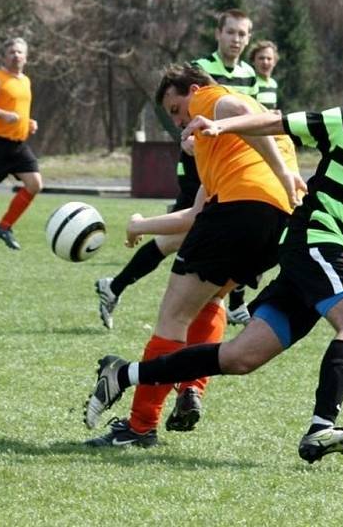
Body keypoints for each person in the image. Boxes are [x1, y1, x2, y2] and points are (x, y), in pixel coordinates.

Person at [83, 65, 343, 463]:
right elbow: (278, 121)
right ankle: (321, 428)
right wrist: (223, 128)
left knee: (240, 357)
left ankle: (123, 373)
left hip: (339, 262)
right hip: (314, 239)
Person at [84, 62, 304, 448]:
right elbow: (196, 215)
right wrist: (140, 225)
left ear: (193, 88)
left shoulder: (212, 98)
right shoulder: (223, 146)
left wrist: (284, 171)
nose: (179, 120)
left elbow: (239, 113)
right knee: (211, 300)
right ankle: (191, 387)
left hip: (242, 212)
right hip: (276, 225)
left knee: (172, 317)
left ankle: (139, 427)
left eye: (176, 109)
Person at [95, 9, 259, 328]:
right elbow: (175, 112)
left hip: (227, 162)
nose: (236, 39)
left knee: (183, 237)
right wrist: (183, 138)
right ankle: (212, 305)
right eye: (231, 32)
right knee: (191, 230)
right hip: (198, 159)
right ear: (218, 34)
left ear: (249, 37)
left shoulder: (250, 76)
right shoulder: (200, 71)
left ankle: (115, 286)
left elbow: (248, 120)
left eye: (242, 34)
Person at [0, 37, 41, 251]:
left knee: (35, 184)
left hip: (18, 145)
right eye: (12, 52)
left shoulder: (25, 81)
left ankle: (4, 226)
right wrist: (3, 115)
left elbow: (19, 109)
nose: (16, 56)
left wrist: (28, 123)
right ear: (4, 57)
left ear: (26, 56)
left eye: (20, 52)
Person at [249, 40, 279, 111]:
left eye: (269, 59)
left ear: (274, 62)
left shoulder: (273, 84)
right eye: (261, 58)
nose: (265, 62)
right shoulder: (250, 82)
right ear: (253, 61)